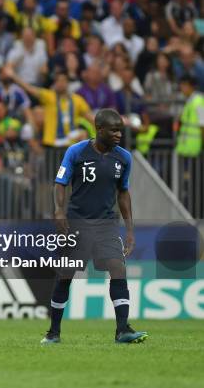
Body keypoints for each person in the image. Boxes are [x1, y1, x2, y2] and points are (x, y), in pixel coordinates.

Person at [42, 108, 148, 345]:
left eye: (120, 130)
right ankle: (53, 332)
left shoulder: (123, 158)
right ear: (99, 130)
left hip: (106, 225)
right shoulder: (76, 151)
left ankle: (123, 330)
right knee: (65, 275)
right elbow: (60, 183)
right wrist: (59, 211)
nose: (119, 135)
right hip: (77, 223)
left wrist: (130, 230)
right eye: (113, 130)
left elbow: (123, 193)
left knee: (117, 268)